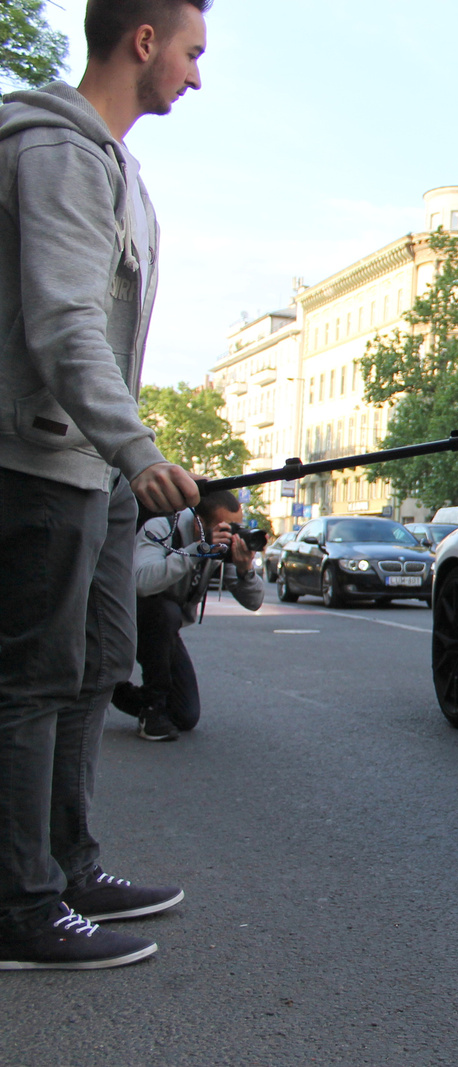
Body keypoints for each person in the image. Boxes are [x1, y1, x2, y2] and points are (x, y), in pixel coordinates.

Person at [0, 0, 209, 972]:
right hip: (38, 462)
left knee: (94, 667)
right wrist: (138, 448)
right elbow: (64, 325)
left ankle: (67, 865)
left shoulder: (120, 171)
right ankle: (20, 904)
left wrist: (125, 466)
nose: (197, 75)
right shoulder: (58, 151)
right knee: (31, 680)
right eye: (191, 52)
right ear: (143, 41)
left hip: (91, 469)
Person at [115, 490, 262, 741]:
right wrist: (198, 550)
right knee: (165, 610)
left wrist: (245, 570)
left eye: (235, 526)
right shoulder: (161, 529)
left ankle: (113, 690)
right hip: (128, 621)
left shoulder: (218, 545)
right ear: (198, 523)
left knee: (185, 716)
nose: (230, 533)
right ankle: (152, 711)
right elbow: (141, 582)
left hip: (166, 630)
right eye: (225, 527)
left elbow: (253, 603)